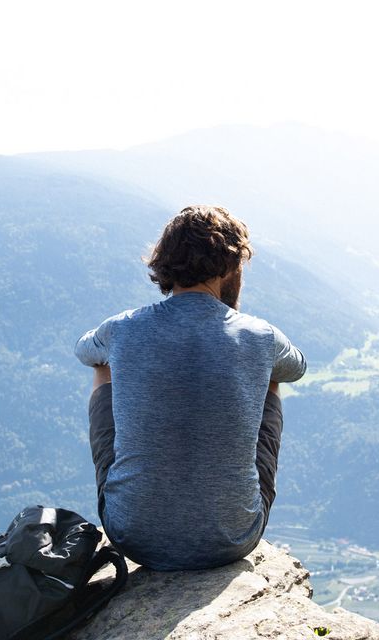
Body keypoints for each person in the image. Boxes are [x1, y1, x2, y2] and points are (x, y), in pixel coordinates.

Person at [74, 205, 306, 571]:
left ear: (163, 262)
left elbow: (84, 351)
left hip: (132, 535)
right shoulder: (259, 334)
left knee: (104, 367)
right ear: (231, 266)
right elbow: (296, 368)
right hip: (232, 538)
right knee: (271, 375)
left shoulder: (122, 328)